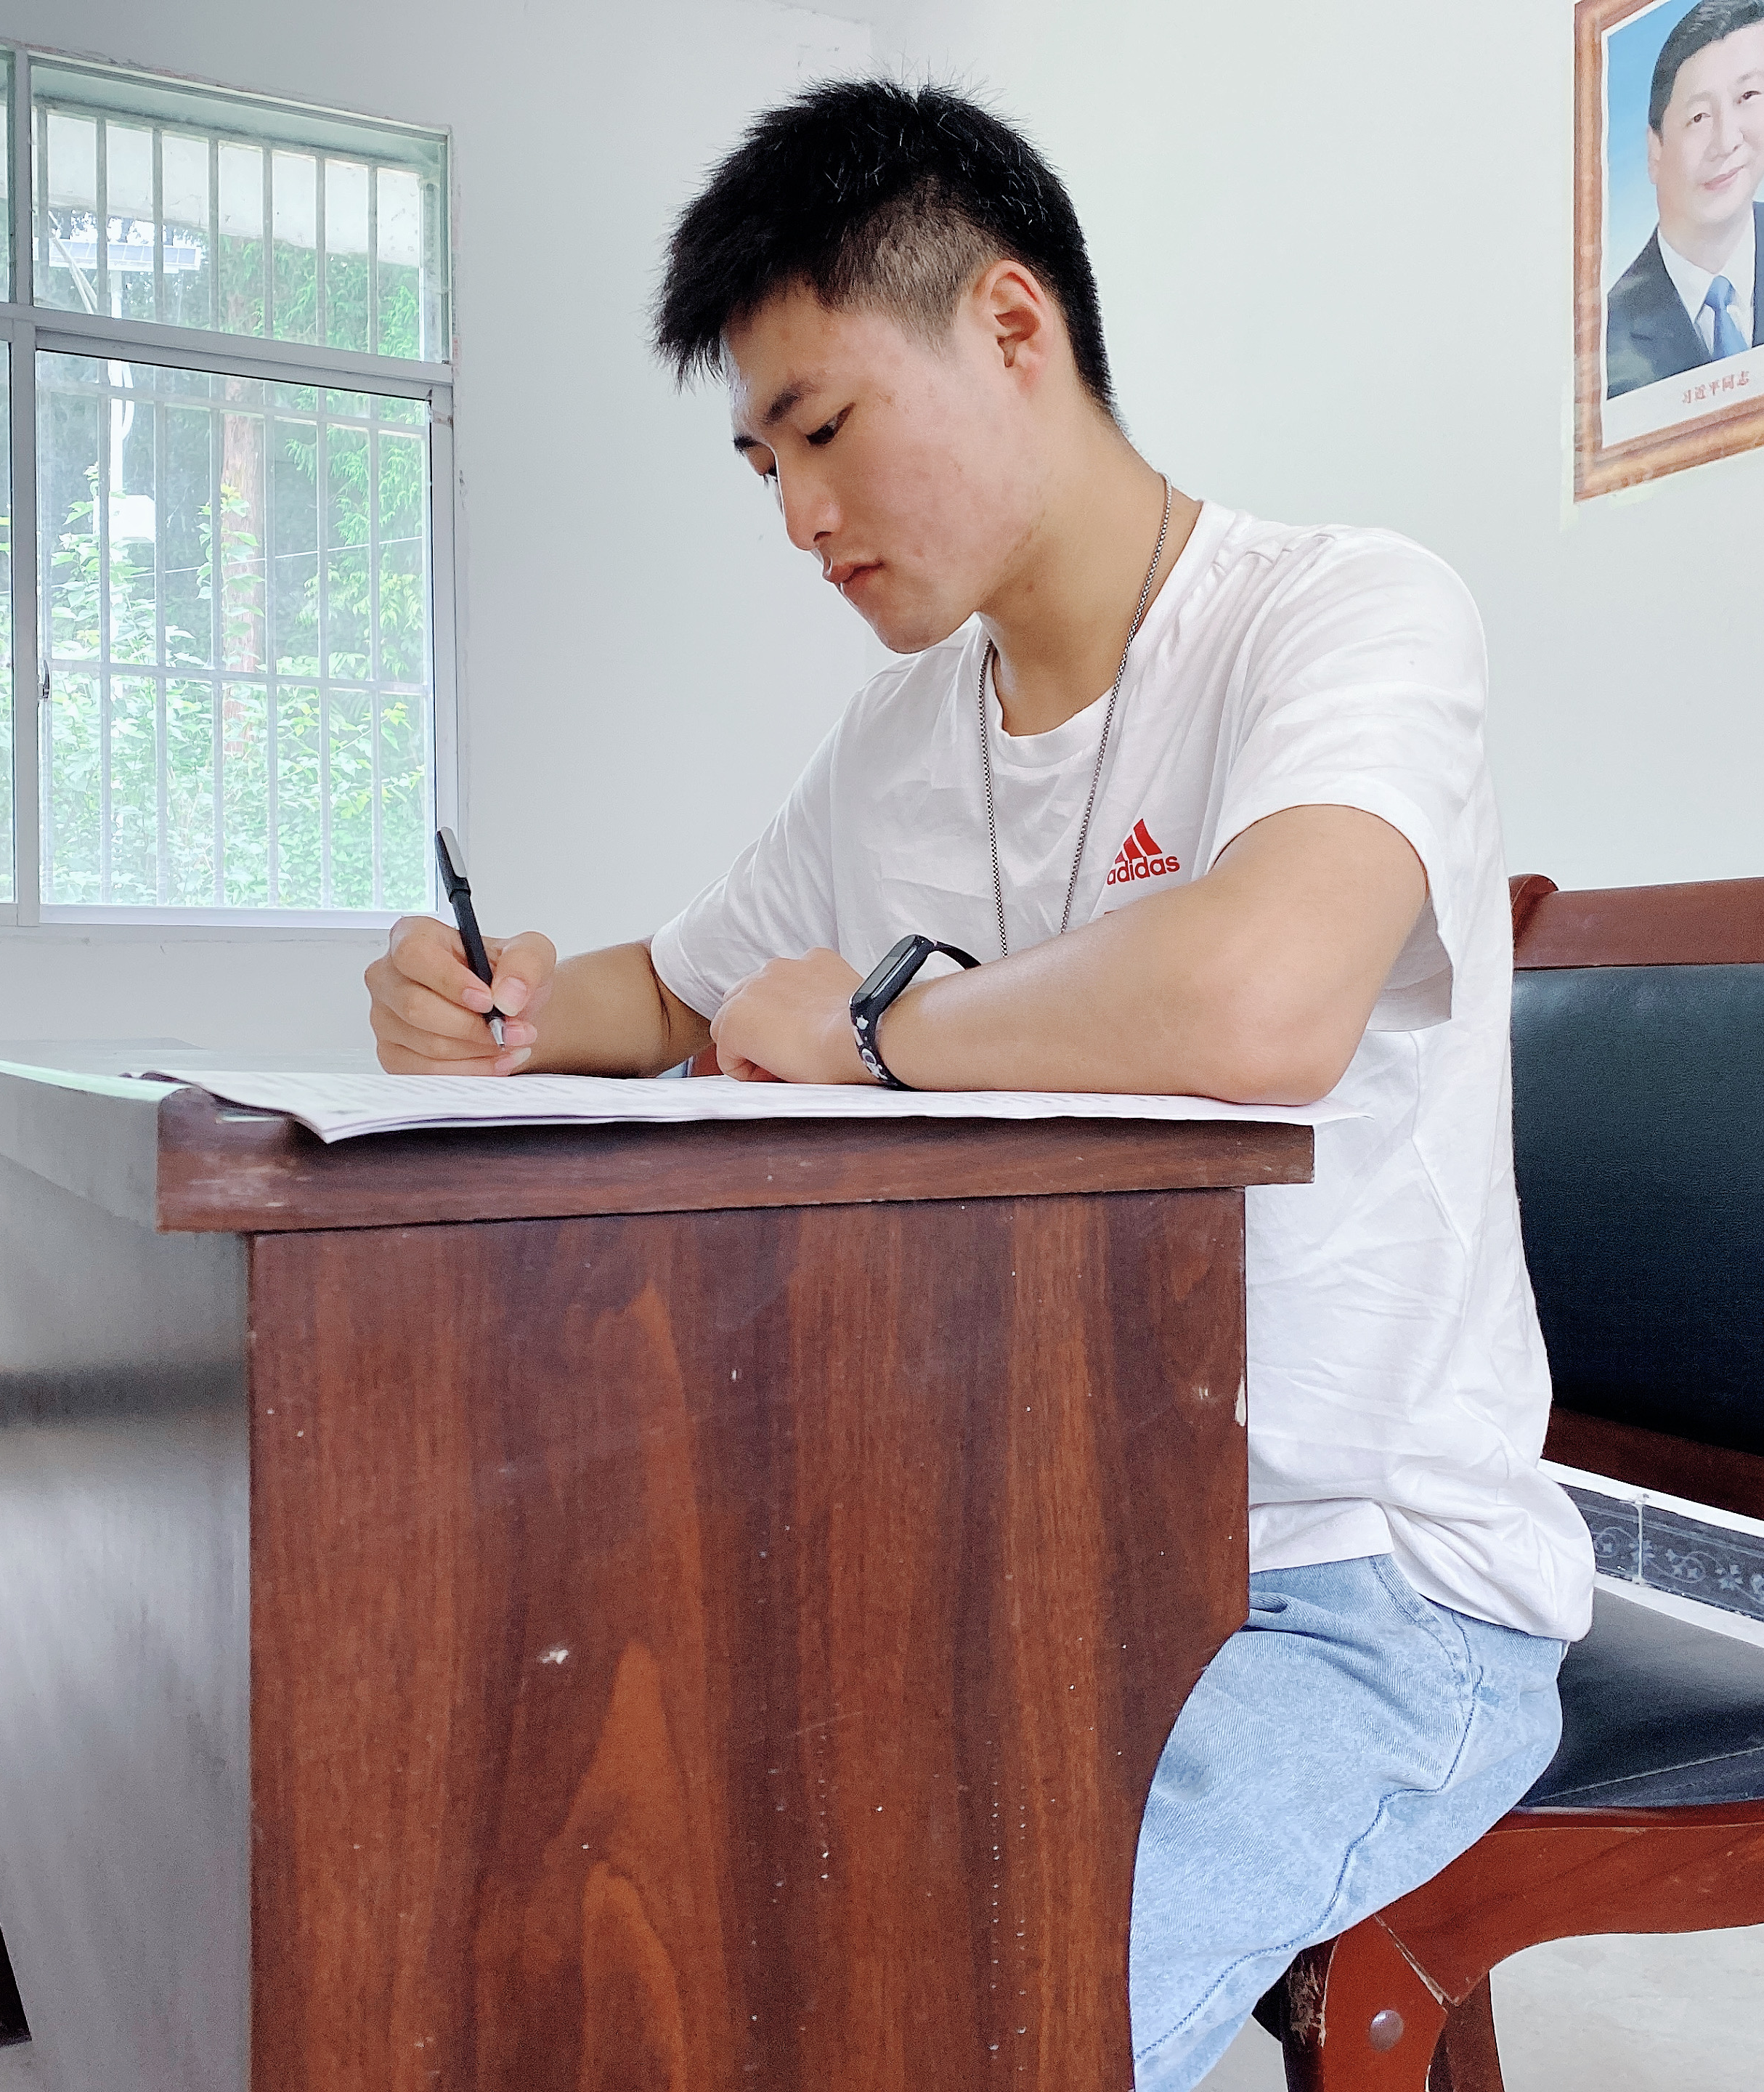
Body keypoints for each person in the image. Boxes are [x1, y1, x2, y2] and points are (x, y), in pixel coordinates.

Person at [362, 81, 1592, 2092]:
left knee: (952, 2013)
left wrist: (873, 1028)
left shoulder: (1341, 612)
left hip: (1360, 1592)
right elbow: (668, 991)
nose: (799, 519)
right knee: (609, 1796)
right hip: (1035, 1542)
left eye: (826, 430)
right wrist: (492, 1003)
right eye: (762, 464)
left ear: (1011, 325)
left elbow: (1266, 995)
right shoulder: (896, 741)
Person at [1606, 0, 1764, 400]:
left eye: (1748, 95)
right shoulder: (1605, 338)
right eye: (1699, 117)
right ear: (1655, 150)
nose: (1726, 141)